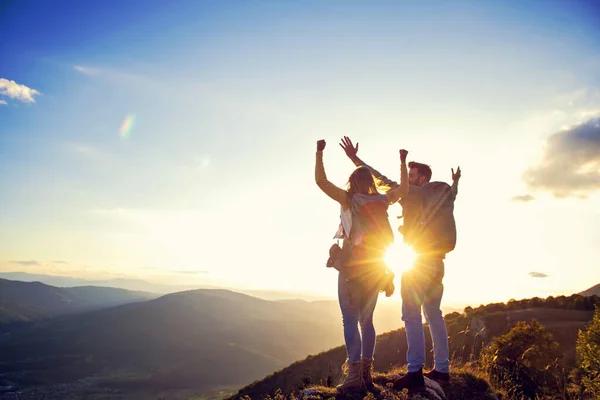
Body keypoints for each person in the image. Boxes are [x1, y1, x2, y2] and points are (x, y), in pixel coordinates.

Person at [339, 136, 461, 390]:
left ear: (421, 179)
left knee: (411, 314)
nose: (408, 178)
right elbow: (453, 197)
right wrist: (455, 183)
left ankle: (414, 371)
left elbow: (380, 179)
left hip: (417, 260)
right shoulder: (441, 198)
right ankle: (442, 369)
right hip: (438, 261)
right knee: (434, 315)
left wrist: (354, 160)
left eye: (411, 174)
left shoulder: (412, 194)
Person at [315, 139, 409, 393]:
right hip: (376, 267)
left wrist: (319, 153)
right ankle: (367, 373)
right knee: (367, 321)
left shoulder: (349, 199)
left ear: (352, 182)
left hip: (350, 268)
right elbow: (404, 189)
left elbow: (321, 183)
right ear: (370, 182)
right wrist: (401, 162)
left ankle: (355, 374)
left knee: (349, 319)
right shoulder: (383, 200)